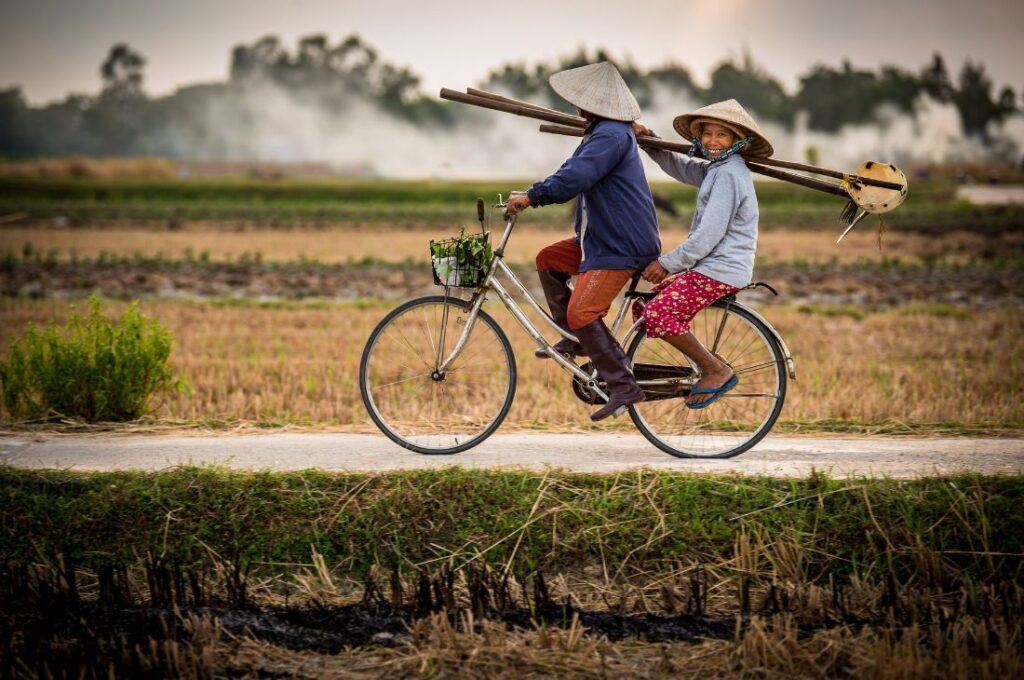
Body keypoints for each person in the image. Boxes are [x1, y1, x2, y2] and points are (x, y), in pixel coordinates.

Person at [505, 62, 661, 421]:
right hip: (599, 238)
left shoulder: (609, 135)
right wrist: (531, 191)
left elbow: (574, 178)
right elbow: (567, 172)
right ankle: (576, 339)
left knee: (582, 312)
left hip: (620, 244)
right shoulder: (602, 132)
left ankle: (623, 384)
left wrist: (533, 197)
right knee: (549, 259)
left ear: (587, 105)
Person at [631, 99, 773, 409]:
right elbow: (682, 167)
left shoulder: (728, 175)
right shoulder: (718, 168)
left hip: (720, 268)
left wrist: (667, 264)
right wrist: (650, 142)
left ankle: (714, 369)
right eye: (707, 134)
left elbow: (708, 236)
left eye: (722, 135)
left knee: (659, 313)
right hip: (711, 267)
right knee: (646, 306)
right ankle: (701, 363)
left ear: (739, 141)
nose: (712, 141)